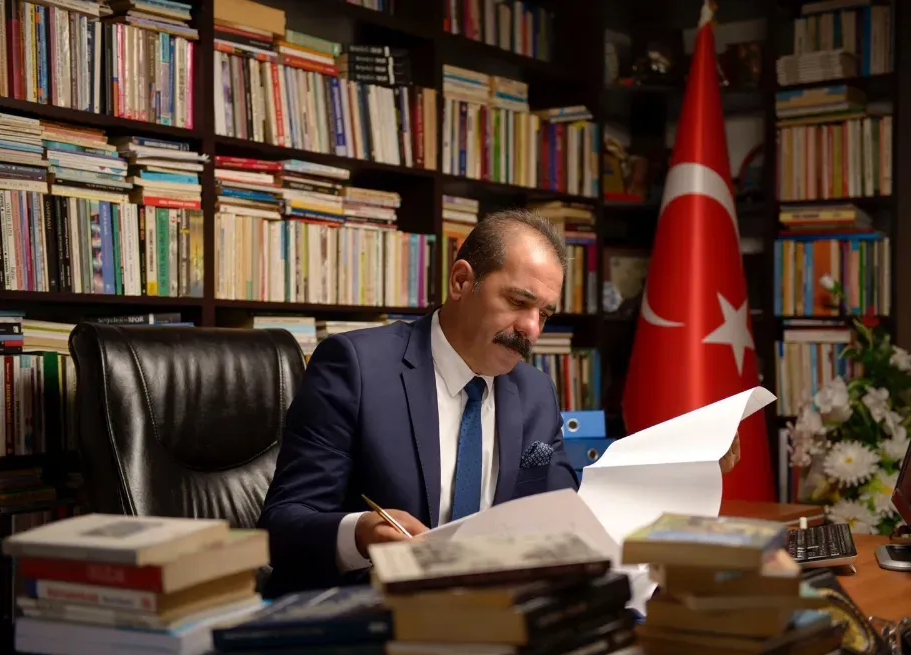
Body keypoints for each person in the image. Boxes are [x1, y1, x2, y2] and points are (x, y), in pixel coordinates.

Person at [257, 209, 742, 596]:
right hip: (372, 618)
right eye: (518, 302)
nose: (532, 329)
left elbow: (567, 519)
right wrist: (360, 532)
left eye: (544, 313)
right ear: (461, 282)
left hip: (498, 620)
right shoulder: (357, 367)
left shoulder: (534, 392)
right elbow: (282, 525)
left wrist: (679, 475)